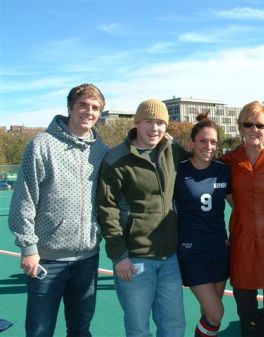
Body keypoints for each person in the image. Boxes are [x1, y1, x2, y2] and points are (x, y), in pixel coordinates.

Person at [8, 83, 109, 337]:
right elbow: (24, 197)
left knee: (80, 329)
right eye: (83, 105)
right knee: (40, 331)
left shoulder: (101, 151)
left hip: (87, 258)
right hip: (47, 258)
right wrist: (29, 248)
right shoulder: (42, 144)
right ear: (70, 108)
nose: (89, 111)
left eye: (95, 107)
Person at [96, 98, 188, 337]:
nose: (154, 128)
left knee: (174, 327)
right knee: (138, 330)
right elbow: (107, 209)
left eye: (160, 123)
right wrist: (119, 256)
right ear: (137, 122)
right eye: (148, 121)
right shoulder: (116, 159)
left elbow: (201, 162)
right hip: (134, 261)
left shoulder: (172, 151)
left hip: (169, 257)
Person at [221, 100, 264, 337]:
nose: (254, 130)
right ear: (240, 127)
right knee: (246, 310)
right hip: (242, 242)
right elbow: (229, 195)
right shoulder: (229, 160)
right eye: (248, 124)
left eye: (260, 125)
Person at [174, 113, 232, 337]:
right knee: (216, 312)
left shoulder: (223, 170)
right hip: (192, 251)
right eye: (203, 141)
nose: (209, 146)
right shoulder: (179, 171)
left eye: (213, 141)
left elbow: (238, 205)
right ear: (192, 143)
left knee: (209, 313)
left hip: (219, 248)